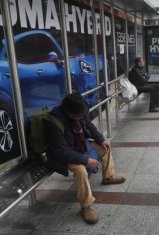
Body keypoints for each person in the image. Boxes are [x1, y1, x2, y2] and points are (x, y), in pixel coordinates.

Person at [45, 93, 125, 224]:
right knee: (81, 170)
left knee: (105, 148)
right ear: (67, 112)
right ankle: (86, 206)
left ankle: (108, 176)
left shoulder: (79, 111)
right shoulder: (54, 122)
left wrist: (101, 139)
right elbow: (62, 151)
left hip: (80, 145)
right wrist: (86, 160)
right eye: (78, 115)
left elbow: (90, 126)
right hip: (64, 154)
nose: (81, 117)